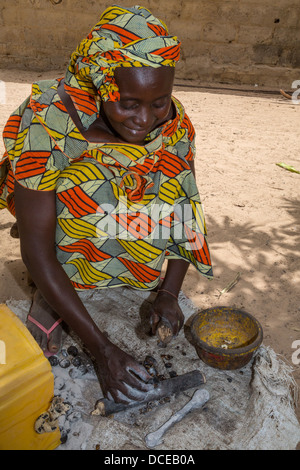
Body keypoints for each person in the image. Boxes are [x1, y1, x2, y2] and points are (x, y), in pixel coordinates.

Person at [0, 5, 212, 404]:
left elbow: (186, 206)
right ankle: (57, 289)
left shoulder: (173, 123)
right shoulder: (46, 124)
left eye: (159, 102)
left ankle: (125, 274)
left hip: (122, 228)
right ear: (100, 83)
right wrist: (103, 351)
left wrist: (169, 292)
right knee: (76, 203)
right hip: (65, 236)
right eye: (128, 103)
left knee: (152, 188)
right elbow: (35, 250)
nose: (144, 120)